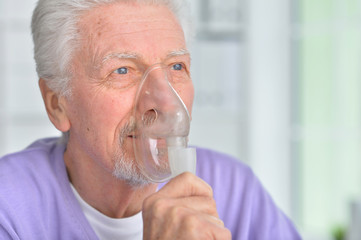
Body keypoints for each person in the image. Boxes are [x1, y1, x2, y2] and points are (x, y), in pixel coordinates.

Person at [0, 0, 301, 239]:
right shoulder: (10, 209)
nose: (166, 103)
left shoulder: (235, 192)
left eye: (176, 67)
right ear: (57, 104)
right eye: (122, 71)